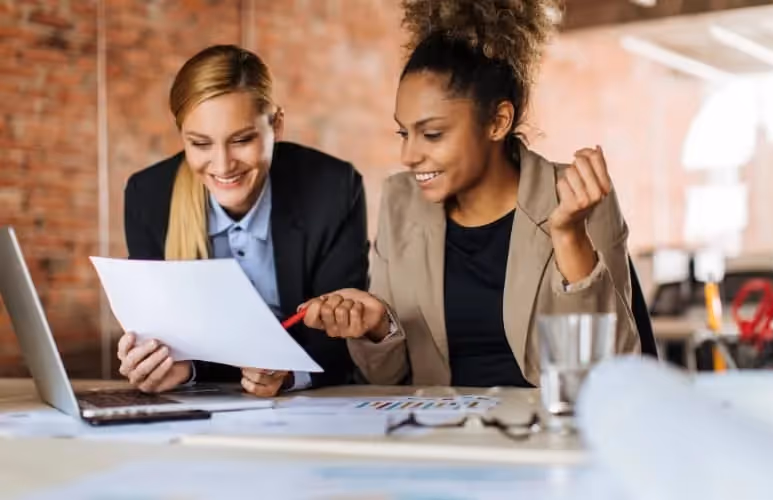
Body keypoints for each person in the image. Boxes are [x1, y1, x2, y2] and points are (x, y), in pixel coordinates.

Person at [300, 0, 641, 387]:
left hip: (545, 437)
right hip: (440, 438)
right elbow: (385, 378)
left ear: (498, 122)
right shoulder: (401, 201)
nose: (408, 156)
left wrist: (569, 237)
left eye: (432, 134)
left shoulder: (576, 199)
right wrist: (379, 327)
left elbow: (610, 372)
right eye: (403, 133)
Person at [117, 45, 368, 396]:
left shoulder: (333, 189)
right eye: (200, 144)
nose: (222, 165)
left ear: (276, 125)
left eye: (242, 140)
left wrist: (289, 375)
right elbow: (166, 338)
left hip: (310, 405)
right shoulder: (148, 197)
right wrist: (165, 366)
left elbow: (343, 336)